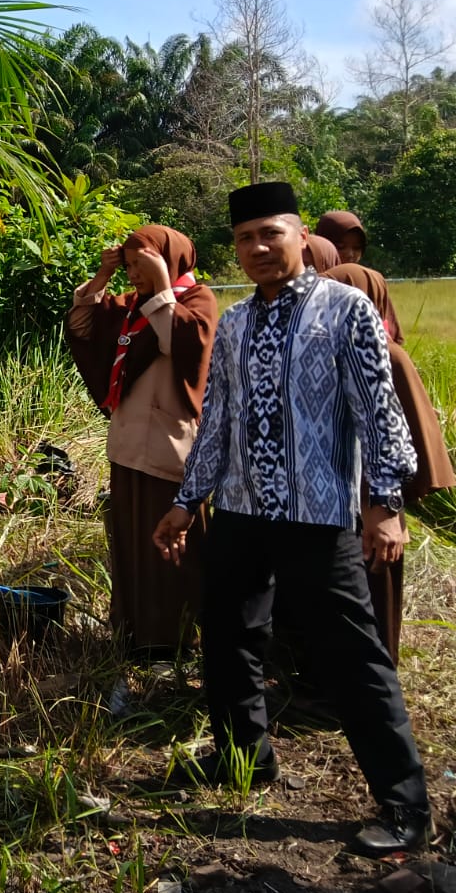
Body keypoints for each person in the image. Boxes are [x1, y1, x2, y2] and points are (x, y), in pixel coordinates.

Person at [154, 181, 430, 856]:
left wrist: (385, 505)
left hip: (320, 511)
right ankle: (244, 758)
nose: (256, 248)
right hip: (243, 509)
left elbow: (379, 412)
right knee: (228, 635)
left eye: (269, 234)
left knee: (351, 654)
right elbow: (217, 419)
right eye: (244, 238)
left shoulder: (346, 311)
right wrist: (187, 501)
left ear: (300, 236)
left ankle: (405, 806)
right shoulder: (239, 323)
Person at [65, 227, 217, 656]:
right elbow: (81, 324)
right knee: (132, 547)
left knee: (169, 555)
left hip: (169, 450)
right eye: (128, 265)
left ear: (168, 261)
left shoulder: (194, 299)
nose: (133, 274)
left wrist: (162, 286)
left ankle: (174, 642)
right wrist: (100, 279)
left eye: (141, 264)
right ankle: (132, 634)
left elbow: (182, 345)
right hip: (128, 448)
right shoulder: (132, 309)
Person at [324, 262, 456, 662]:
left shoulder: (388, 355)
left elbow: (412, 435)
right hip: (336, 498)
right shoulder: (332, 349)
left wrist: (389, 505)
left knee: (374, 592)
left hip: (375, 501)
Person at [316, 210, 403, 342]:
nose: (350, 254)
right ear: (323, 246)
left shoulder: (370, 280)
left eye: (357, 248)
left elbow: (392, 339)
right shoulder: (310, 289)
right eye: (340, 247)